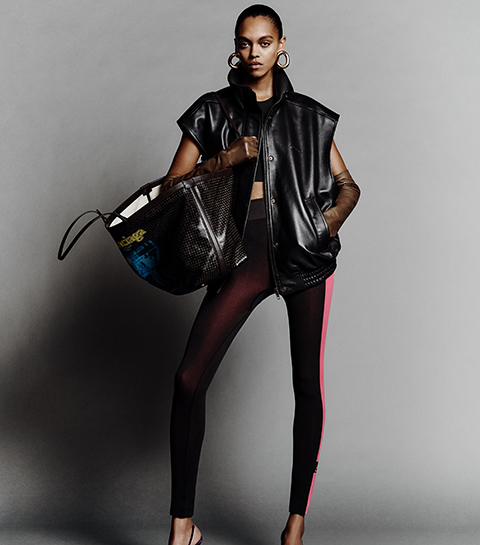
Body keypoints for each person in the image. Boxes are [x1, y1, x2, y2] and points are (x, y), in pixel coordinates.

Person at [164, 5, 360, 545]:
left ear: (281, 45)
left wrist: (323, 225)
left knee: (307, 387)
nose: (254, 52)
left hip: (305, 257)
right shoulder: (212, 111)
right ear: (235, 47)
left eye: (265, 42)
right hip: (242, 256)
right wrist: (223, 159)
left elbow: (349, 186)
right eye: (245, 42)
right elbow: (170, 190)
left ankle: (295, 523)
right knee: (188, 379)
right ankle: (183, 526)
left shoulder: (309, 116)